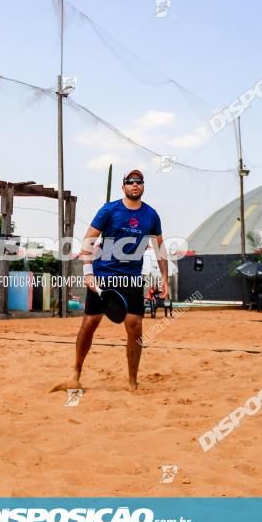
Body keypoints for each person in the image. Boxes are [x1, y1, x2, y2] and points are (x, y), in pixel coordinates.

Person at [56, 168, 169, 392]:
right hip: (103, 275)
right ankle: (75, 373)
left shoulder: (151, 215)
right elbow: (89, 240)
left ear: (143, 186)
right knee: (89, 324)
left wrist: (165, 276)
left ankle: (132, 382)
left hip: (132, 278)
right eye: (130, 181)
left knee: (135, 327)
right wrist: (88, 272)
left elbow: (159, 247)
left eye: (139, 182)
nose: (134, 185)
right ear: (123, 186)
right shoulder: (109, 210)